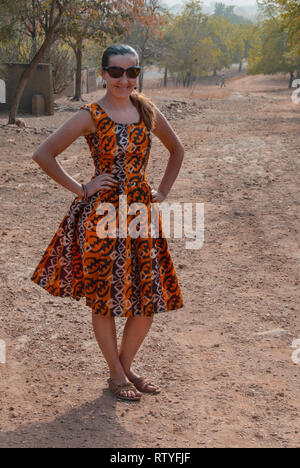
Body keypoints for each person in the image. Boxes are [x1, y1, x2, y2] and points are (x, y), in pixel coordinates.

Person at [30, 44, 185, 402]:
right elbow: (43, 154)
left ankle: (125, 368)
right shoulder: (91, 115)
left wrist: (161, 192)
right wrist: (82, 187)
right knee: (105, 299)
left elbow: (177, 150)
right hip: (101, 217)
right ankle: (117, 375)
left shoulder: (146, 111)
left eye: (132, 72)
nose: (124, 79)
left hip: (140, 217)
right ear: (103, 74)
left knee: (146, 300)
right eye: (116, 72)